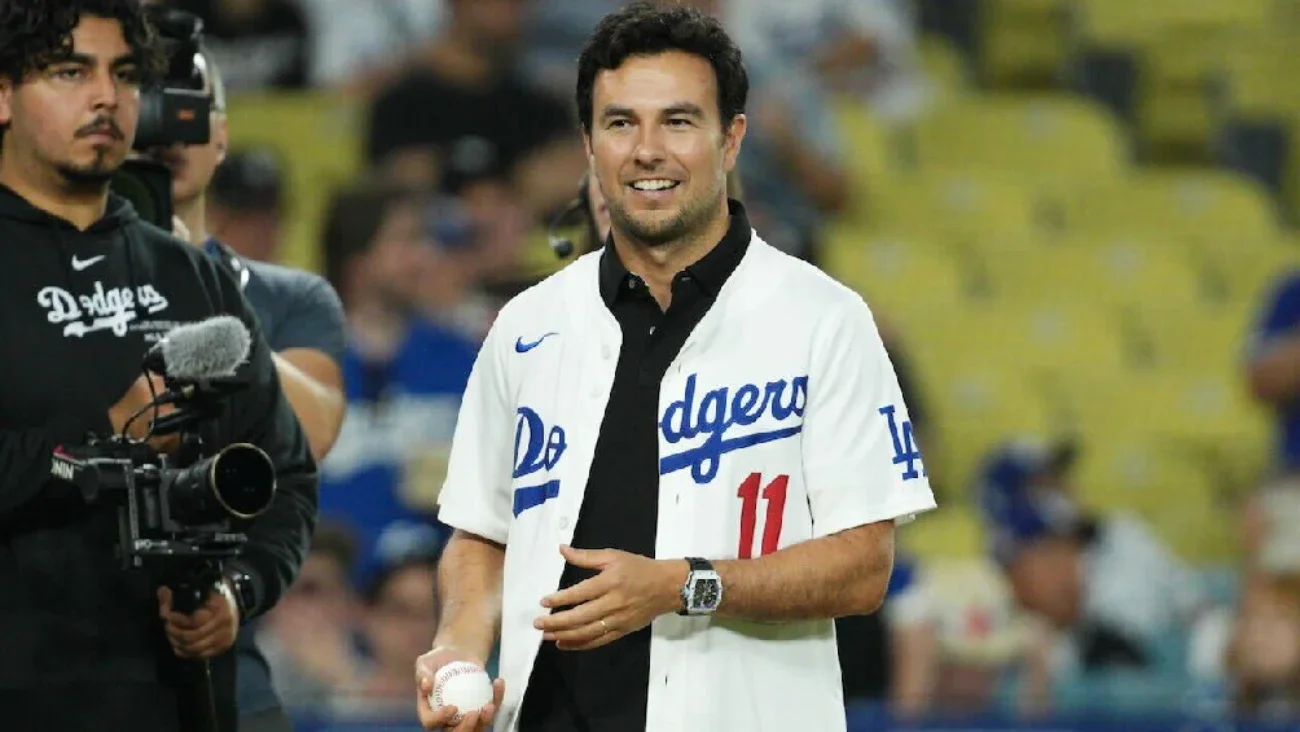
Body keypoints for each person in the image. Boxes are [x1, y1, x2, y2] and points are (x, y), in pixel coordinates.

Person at [414, 4, 937, 731]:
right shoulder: (525, 327)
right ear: (589, 146)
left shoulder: (824, 320)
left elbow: (863, 567)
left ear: (732, 140)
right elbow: (481, 533)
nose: (647, 150)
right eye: (620, 123)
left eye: (679, 122)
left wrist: (682, 586)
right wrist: (457, 646)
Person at [0, 2, 317, 731]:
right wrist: (103, 439)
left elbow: (286, 477)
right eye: (70, 72)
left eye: (123, 74)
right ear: (3, 94)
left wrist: (237, 591)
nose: (105, 97)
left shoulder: (191, 276)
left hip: (177, 705)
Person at [144, 45, 347, 731]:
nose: (170, 130)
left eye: (190, 110)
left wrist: (201, 285)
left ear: (222, 135)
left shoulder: (294, 298)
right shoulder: (65, 287)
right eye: (150, 107)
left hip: (232, 655)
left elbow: (311, 434)